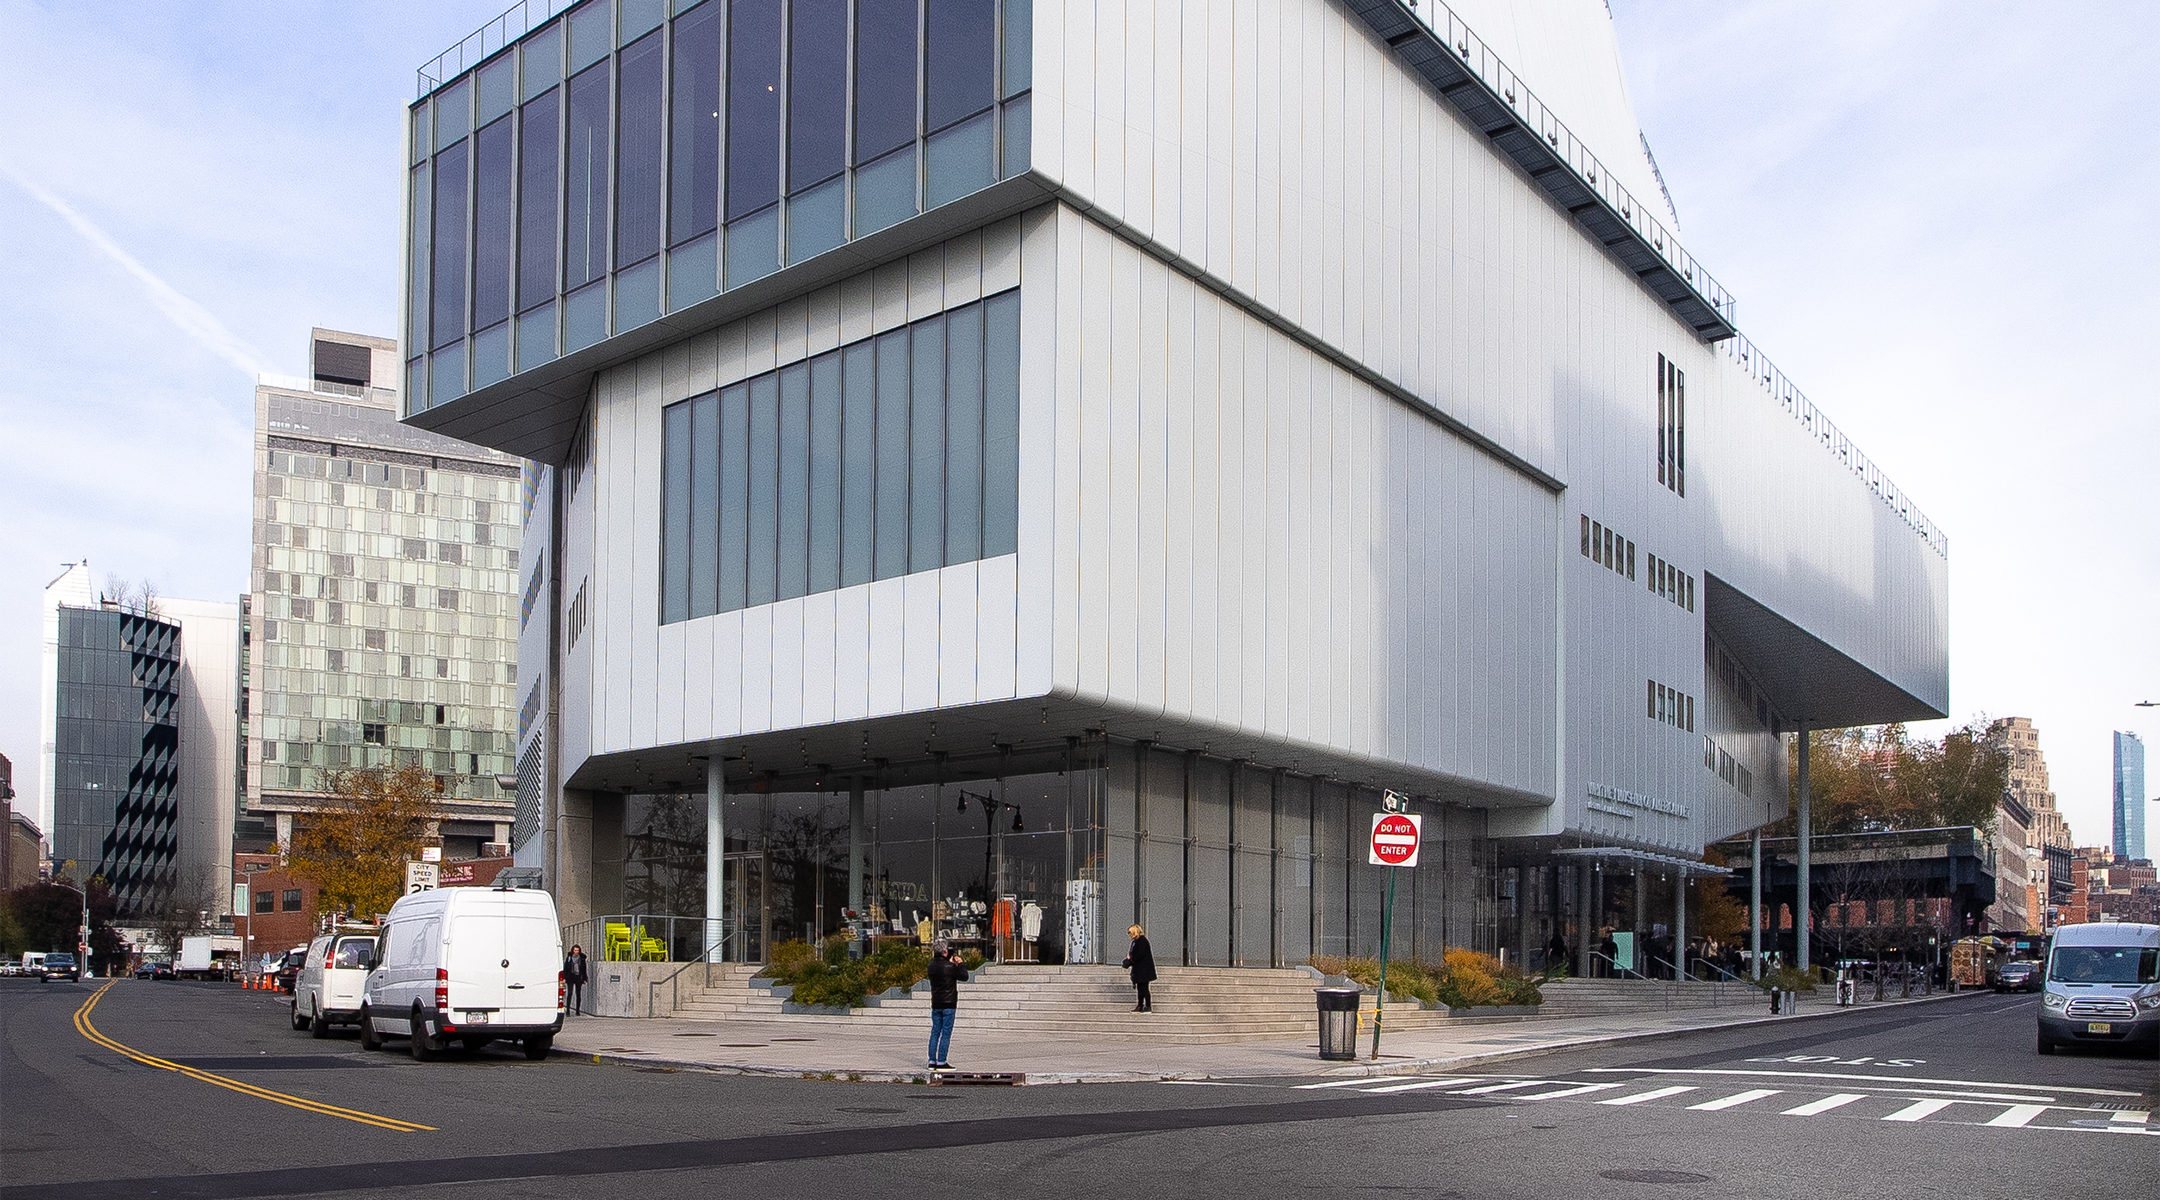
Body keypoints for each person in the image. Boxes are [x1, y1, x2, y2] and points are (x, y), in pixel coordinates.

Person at [925, 938, 968, 1070]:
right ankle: (942, 1061)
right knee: (946, 1033)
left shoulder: (931, 966)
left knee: (935, 1031)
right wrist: (960, 964)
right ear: (944, 951)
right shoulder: (949, 967)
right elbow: (964, 976)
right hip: (949, 1003)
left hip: (936, 1002)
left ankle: (932, 1060)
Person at [1122, 924, 1156, 1012]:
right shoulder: (1135, 941)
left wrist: (1130, 960)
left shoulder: (1142, 941)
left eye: (1130, 932)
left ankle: (1147, 1006)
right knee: (1140, 988)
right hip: (1139, 970)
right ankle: (1140, 1005)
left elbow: (1138, 955)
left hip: (1144, 970)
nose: (1129, 934)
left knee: (1144, 988)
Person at [564, 944, 590, 1016]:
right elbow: (566, 968)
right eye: (575, 950)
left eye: (577, 950)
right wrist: (565, 977)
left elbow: (584, 969)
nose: (576, 952)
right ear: (573, 950)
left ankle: (577, 1011)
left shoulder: (582, 958)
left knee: (578, 994)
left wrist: (585, 978)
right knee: (570, 993)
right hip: (570, 977)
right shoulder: (569, 958)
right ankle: (568, 1010)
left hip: (578, 977)